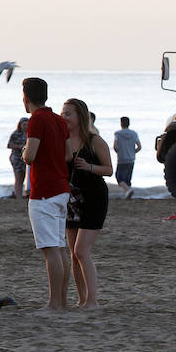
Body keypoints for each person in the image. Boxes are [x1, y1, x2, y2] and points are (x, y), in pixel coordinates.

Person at [20, 77, 73, 311]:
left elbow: (30, 155)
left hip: (44, 192)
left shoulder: (37, 120)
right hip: (62, 188)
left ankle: (54, 303)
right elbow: (68, 154)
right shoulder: (59, 121)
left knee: (50, 249)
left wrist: (24, 152)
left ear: (26, 97)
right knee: (60, 248)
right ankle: (61, 300)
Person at [63, 98, 113, 309]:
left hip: (94, 198)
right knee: (74, 254)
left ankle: (93, 300)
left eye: (68, 114)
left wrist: (89, 167)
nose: (64, 117)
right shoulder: (62, 140)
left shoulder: (94, 141)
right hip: (71, 199)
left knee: (82, 251)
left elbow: (109, 170)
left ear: (80, 116)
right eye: (63, 113)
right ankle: (81, 299)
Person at [113, 116, 142, 198]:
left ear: (121, 123)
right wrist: (133, 152)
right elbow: (139, 146)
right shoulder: (134, 133)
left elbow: (115, 146)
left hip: (122, 159)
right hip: (131, 159)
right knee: (128, 179)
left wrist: (119, 152)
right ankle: (128, 193)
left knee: (119, 178)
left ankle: (128, 191)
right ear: (129, 123)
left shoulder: (117, 133)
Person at [7, 117, 29, 198]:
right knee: (18, 178)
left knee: (25, 177)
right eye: (24, 124)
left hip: (26, 158)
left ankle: (24, 194)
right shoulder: (16, 134)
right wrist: (20, 146)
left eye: (27, 124)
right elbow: (9, 145)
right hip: (16, 158)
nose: (25, 126)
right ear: (20, 125)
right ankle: (18, 196)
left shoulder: (30, 133)